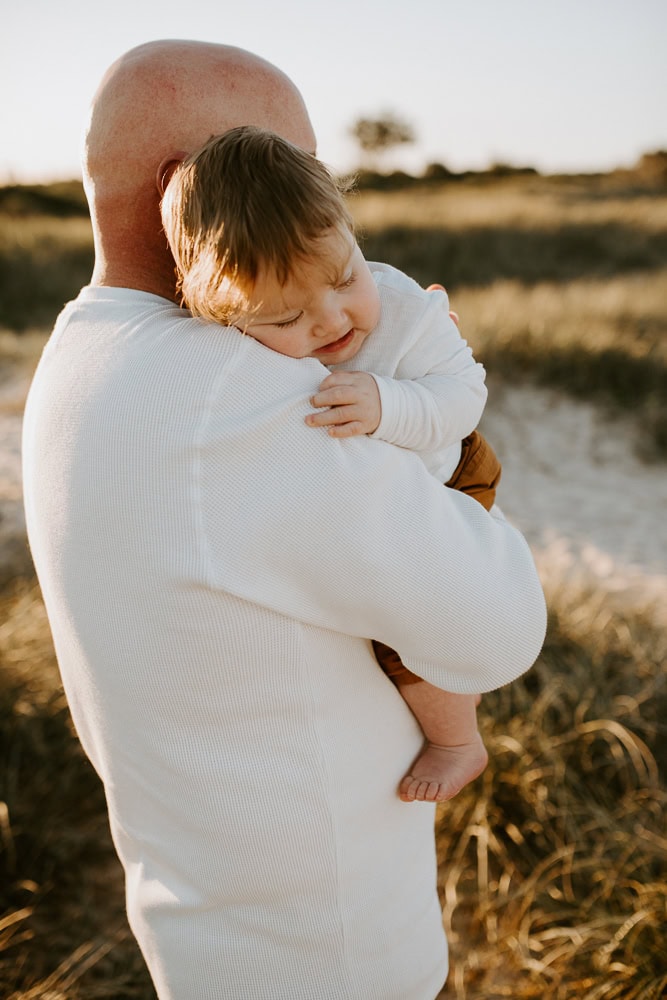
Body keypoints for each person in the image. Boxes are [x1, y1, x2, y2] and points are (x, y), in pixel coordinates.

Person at [22, 40, 546, 1000]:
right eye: (288, 161)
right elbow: (497, 627)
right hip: (331, 952)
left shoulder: (77, 355)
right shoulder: (240, 393)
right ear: (197, 184)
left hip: (205, 923)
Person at [160, 125, 503, 804]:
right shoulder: (235, 346)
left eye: (345, 277)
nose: (329, 318)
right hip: (377, 498)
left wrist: (387, 405)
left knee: (406, 629)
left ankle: (456, 739)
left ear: (350, 233)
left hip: (448, 474)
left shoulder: (406, 308)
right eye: (285, 317)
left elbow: (463, 397)